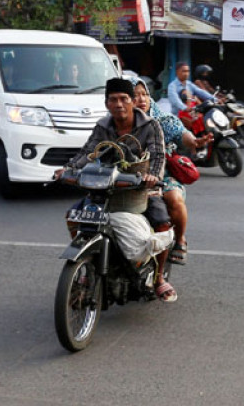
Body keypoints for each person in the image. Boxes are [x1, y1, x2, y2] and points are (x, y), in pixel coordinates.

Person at [57, 77, 178, 303]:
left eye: (124, 99)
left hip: (140, 190)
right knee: (73, 217)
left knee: (162, 224)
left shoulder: (150, 125)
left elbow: (158, 155)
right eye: (113, 99)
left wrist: (153, 176)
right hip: (105, 189)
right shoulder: (103, 126)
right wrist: (68, 169)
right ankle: (87, 265)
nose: (119, 104)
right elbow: (88, 152)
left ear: (132, 101)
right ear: (107, 103)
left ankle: (159, 277)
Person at [133, 78, 212, 268]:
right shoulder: (117, 124)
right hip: (129, 176)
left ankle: (180, 239)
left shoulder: (163, 120)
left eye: (144, 94)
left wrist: (194, 142)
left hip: (163, 176)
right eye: (135, 96)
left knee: (174, 198)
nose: (141, 99)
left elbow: (182, 134)